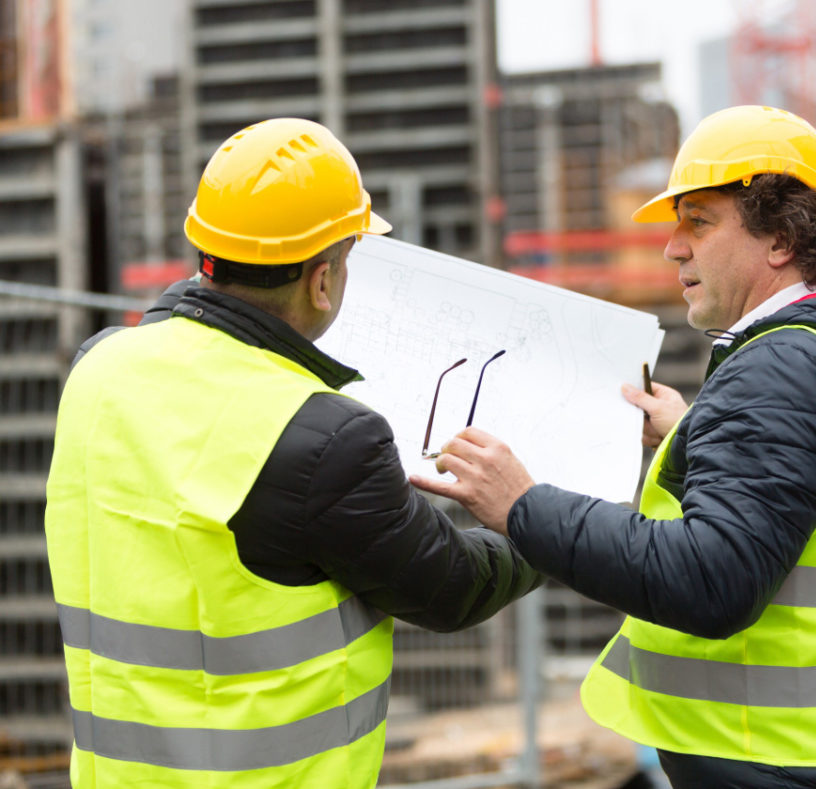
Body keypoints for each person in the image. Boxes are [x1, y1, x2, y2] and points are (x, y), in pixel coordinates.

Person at [411, 105, 816, 789]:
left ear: (781, 240)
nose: (673, 246)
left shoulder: (783, 369)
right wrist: (690, 430)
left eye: (698, 222)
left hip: (794, 766)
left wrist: (524, 504)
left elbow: (713, 579)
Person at [44, 117, 540, 789]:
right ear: (322, 281)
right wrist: (546, 517)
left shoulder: (97, 370)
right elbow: (450, 585)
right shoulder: (326, 436)